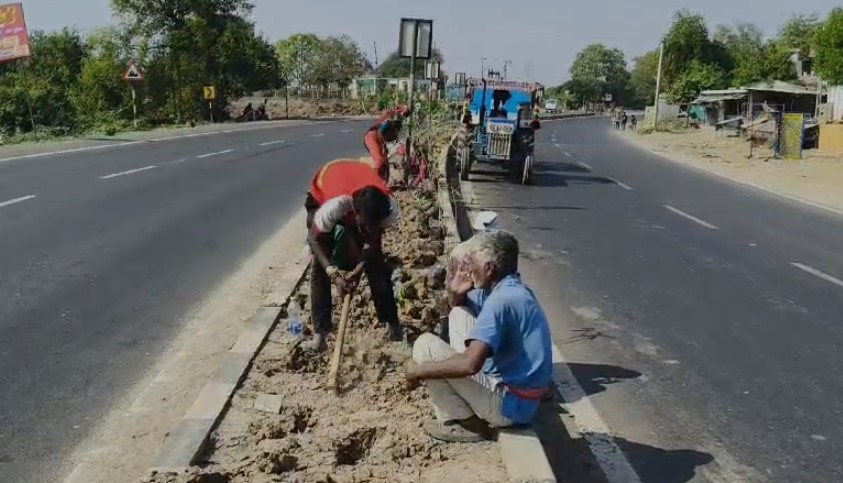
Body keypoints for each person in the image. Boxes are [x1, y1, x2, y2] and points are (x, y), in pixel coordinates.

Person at [405, 230, 553, 442]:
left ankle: (464, 422)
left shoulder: (499, 302)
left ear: (489, 268)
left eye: (472, 263)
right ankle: (465, 402)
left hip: (509, 408)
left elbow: (470, 365)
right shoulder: (510, 289)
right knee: (458, 312)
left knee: (425, 346)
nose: (469, 270)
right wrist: (456, 294)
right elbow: (460, 310)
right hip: (525, 400)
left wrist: (418, 371)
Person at [305, 159, 404, 350]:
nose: (368, 229)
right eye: (365, 226)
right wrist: (334, 274)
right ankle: (320, 333)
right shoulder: (335, 206)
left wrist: (360, 267)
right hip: (323, 188)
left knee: (376, 264)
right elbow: (314, 240)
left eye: (373, 226)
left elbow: (372, 244)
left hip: (358, 184)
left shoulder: (389, 209)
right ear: (354, 213)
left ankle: (393, 325)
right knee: (319, 266)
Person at [363, 105, 410, 181]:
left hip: (381, 139)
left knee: (384, 162)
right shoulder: (391, 117)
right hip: (372, 137)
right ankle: (375, 182)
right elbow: (382, 132)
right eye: (404, 113)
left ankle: (383, 182)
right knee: (379, 160)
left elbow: (397, 139)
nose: (405, 115)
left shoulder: (400, 123)